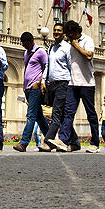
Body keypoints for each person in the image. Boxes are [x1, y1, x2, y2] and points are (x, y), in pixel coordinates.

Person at [61, 19, 100, 153]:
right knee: (68, 113)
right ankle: (64, 141)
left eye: (71, 34)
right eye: (68, 35)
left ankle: (95, 143)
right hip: (72, 83)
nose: (69, 37)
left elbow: (89, 56)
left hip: (87, 83)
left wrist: (76, 45)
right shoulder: (68, 44)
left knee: (91, 114)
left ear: (78, 32)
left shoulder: (87, 40)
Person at [40, 22, 72, 152]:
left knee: (56, 113)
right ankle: (75, 142)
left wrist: (71, 84)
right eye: (55, 30)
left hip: (63, 83)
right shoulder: (51, 48)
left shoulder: (67, 48)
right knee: (62, 115)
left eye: (59, 31)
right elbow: (47, 66)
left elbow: (71, 67)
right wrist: (43, 81)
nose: (56, 33)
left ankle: (48, 141)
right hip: (52, 84)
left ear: (64, 33)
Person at [14, 31, 49, 152]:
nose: (25, 46)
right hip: (28, 88)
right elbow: (27, 69)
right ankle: (51, 139)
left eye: (26, 44)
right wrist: (24, 85)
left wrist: (38, 82)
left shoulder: (41, 51)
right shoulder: (26, 53)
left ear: (31, 41)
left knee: (31, 115)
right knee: (39, 116)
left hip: (35, 88)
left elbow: (47, 68)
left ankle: (23, 143)